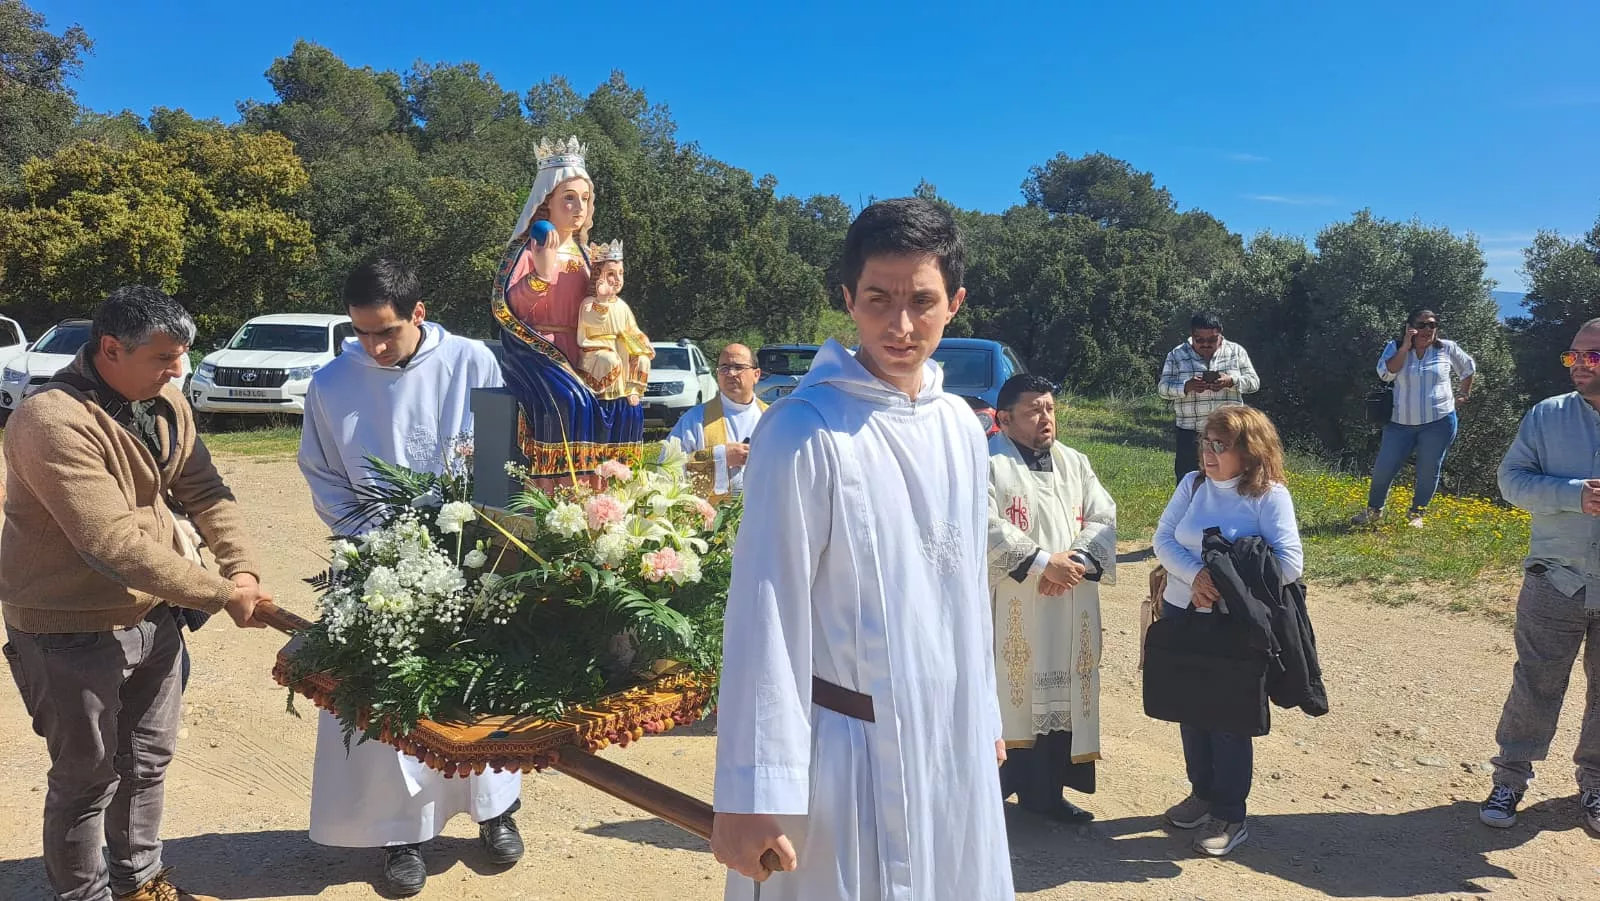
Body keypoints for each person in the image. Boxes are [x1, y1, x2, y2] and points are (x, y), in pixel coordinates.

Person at [710, 198, 1013, 900]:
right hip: (847, 753)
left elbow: (966, 585)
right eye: (878, 298)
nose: (901, 325)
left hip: (951, 742)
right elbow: (765, 615)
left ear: (956, 302)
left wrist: (984, 713)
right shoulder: (803, 433)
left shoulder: (963, 431)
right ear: (848, 297)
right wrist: (750, 793)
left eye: (923, 301)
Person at [1, 286, 271, 901]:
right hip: (67, 628)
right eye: (164, 358)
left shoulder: (167, 403)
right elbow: (110, 542)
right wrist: (220, 593)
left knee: (146, 763)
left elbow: (205, 489)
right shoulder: (50, 420)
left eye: (182, 356)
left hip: (155, 615)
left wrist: (244, 569)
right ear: (111, 349)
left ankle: (139, 883)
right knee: (86, 778)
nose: (180, 371)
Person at [297, 259, 522, 897]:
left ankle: (494, 809)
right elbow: (322, 473)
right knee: (389, 696)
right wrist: (376, 542)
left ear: (419, 314)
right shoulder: (332, 382)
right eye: (361, 332)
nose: (372, 345)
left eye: (386, 332)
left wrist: (478, 533)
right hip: (376, 561)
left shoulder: (473, 362)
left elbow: (499, 456)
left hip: (464, 550)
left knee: (476, 688)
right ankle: (400, 834)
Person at [1153, 406, 1302, 857]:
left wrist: (1222, 585)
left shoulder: (1269, 495)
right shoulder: (1192, 484)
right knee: (1190, 710)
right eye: (1205, 443)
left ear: (1249, 450)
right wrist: (1196, 576)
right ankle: (1201, 794)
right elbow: (1163, 539)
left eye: (1221, 445)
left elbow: (1290, 564)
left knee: (1228, 720)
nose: (1209, 453)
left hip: (1233, 626)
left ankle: (1229, 814)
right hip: (1182, 611)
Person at [1478, 318, 1600, 834]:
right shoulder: (1547, 416)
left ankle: (1594, 784)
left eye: (1590, 357)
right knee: (1536, 682)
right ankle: (1510, 777)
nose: (1578, 365)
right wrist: (1574, 494)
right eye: (1572, 355)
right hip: (1556, 577)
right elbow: (1511, 481)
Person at [986, 373, 1117, 824]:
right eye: (1033, 410)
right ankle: (989, 798)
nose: (1046, 418)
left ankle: (1046, 794)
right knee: (1009, 693)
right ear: (1004, 419)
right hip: (1013, 603)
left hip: (1068, 601)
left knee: (1062, 692)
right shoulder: (987, 463)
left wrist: (1073, 562)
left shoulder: (1075, 462)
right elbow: (981, 525)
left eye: (1050, 408)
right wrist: (1044, 564)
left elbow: (1103, 515)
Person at [492, 136, 643, 473]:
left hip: (585, 349)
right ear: (547, 201)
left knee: (626, 407)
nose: (578, 208)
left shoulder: (589, 256)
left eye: (585, 200)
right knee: (571, 400)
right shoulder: (532, 246)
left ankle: (610, 483)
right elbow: (508, 305)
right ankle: (558, 489)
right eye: (569, 199)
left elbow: (603, 308)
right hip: (539, 349)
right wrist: (541, 277)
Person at [1351, 308, 1476, 528]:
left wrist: (1463, 394)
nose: (1428, 329)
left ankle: (1416, 514)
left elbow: (1468, 368)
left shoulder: (1447, 348)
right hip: (1400, 423)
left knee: (1429, 468)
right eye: (1422, 324)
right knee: (1384, 467)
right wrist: (1405, 347)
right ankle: (1373, 511)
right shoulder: (1395, 347)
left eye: (1432, 325)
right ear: (1411, 327)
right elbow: (1386, 373)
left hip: (1439, 421)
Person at [1157, 312, 1260, 485]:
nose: (1205, 344)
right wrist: (1186, 387)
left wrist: (1231, 381)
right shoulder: (1176, 355)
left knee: (1233, 480)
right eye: (1199, 340)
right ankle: (1190, 512)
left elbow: (1254, 383)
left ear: (1220, 334)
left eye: (1211, 340)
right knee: (1189, 482)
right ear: (1192, 335)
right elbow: (1162, 389)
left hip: (1230, 432)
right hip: (1191, 433)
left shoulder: (1236, 351)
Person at [666, 343, 766, 501]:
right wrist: (719, 456)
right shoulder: (695, 419)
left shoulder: (771, 418)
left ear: (756, 374)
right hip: (710, 519)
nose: (731, 373)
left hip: (763, 514)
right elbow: (666, 467)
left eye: (738, 367)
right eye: (724, 368)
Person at [576, 240, 652, 403]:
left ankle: (632, 390)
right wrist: (601, 300)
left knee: (642, 359)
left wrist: (642, 341)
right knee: (610, 360)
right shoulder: (589, 302)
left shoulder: (621, 305)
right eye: (611, 274)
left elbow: (632, 329)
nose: (617, 279)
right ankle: (607, 399)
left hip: (621, 347)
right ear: (598, 274)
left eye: (621, 273)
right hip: (595, 350)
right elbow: (592, 321)